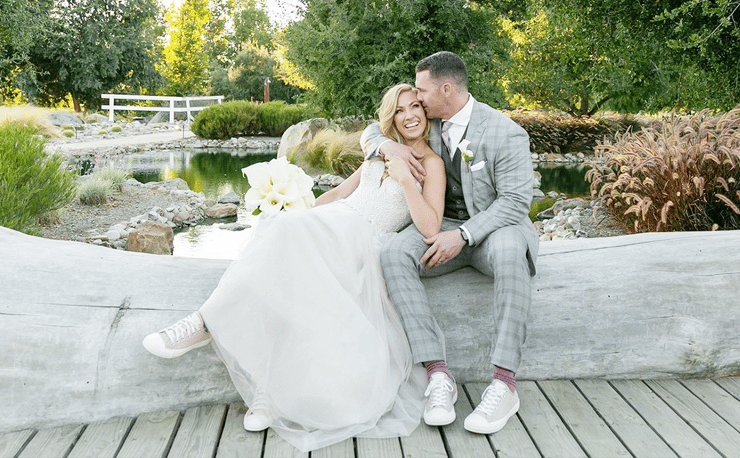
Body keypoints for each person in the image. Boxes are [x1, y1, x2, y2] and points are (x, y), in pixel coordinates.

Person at [142, 84, 446, 452]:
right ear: (391, 117)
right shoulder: (379, 151)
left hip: (365, 241)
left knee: (288, 267)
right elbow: (337, 195)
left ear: (426, 112)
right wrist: (305, 218)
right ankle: (263, 388)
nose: (409, 115)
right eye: (400, 110)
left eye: (416, 106)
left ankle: (209, 328)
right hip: (334, 223)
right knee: (281, 237)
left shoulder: (431, 164)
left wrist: (403, 179)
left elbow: (430, 226)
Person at [361, 51, 539, 435]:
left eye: (422, 90)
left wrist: (463, 235)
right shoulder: (432, 124)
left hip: (494, 231)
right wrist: (387, 148)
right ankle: (438, 375)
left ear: (445, 88)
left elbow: (515, 202)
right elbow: (373, 131)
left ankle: (504, 383)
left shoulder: (504, 132)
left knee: (510, 249)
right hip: (443, 225)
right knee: (393, 251)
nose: (418, 99)